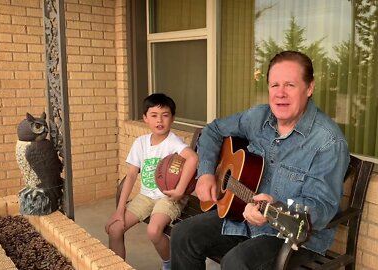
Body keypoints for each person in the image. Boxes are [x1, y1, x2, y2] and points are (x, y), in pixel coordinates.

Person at [170, 51, 350, 269]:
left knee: (235, 263)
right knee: (183, 234)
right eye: (274, 85)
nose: (280, 93)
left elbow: (321, 206)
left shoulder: (327, 141)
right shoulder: (258, 117)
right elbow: (213, 130)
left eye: (290, 85)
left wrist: (275, 207)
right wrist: (206, 172)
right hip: (242, 213)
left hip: (291, 236)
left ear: (309, 88)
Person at [105, 93, 198, 270]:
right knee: (115, 229)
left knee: (154, 231)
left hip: (168, 197)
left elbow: (193, 158)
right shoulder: (140, 143)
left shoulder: (173, 142)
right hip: (146, 196)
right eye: (154, 115)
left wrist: (179, 191)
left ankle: (169, 264)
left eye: (165, 115)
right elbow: (131, 175)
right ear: (145, 118)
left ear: (172, 119)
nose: (159, 120)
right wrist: (119, 210)